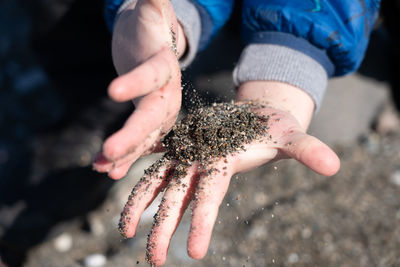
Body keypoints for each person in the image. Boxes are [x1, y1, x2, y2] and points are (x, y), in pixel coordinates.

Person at [93, 0, 380, 265]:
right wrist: (169, 16)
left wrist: (293, 58)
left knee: (339, 122)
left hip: (316, 14)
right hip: (178, 21)